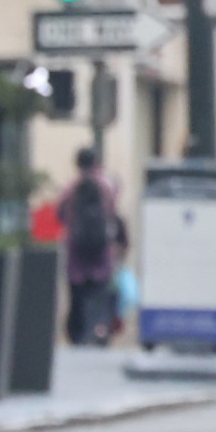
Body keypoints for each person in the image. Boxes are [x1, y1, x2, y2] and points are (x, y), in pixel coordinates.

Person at [63, 144, 131, 345]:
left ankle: (78, 332)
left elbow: (59, 210)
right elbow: (113, 211)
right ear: (96, 162)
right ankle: (99, 330)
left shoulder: (72, 187)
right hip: (102, 251)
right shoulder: (106, 185)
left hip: (76, 251)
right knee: (100, 294)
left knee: (77, 295)